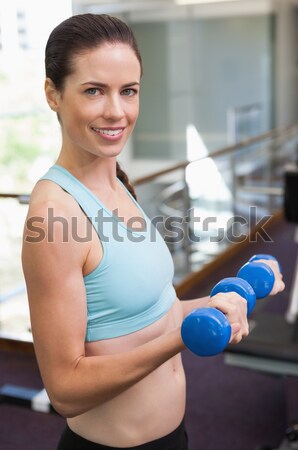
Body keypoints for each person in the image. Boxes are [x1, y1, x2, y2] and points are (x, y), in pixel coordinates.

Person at [21, 13, 285, 450]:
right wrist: (181, 339)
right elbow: (65, 390)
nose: (117, 111)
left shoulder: (121, 185)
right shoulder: (53, 216)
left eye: (129, 91)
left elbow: (157, 315)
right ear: (53, 93)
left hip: (172, 436)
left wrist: (224, 300)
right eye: (93, 91)